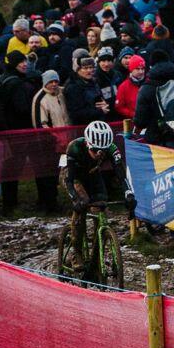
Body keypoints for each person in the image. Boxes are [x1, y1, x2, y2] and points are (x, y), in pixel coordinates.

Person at [61, 119, 123, 280]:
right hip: (73, 176)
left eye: (103, 151)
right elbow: (70, 180)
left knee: (100, 208)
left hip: (92, 175)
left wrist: (129, 194)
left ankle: (96, 259)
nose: (99, 154)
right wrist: (75, 199)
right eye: (96, 150)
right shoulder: (74, 147)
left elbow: (121, 173)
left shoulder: (111, 148)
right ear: (88, 144)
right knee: (82, 203)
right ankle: (76, 253)